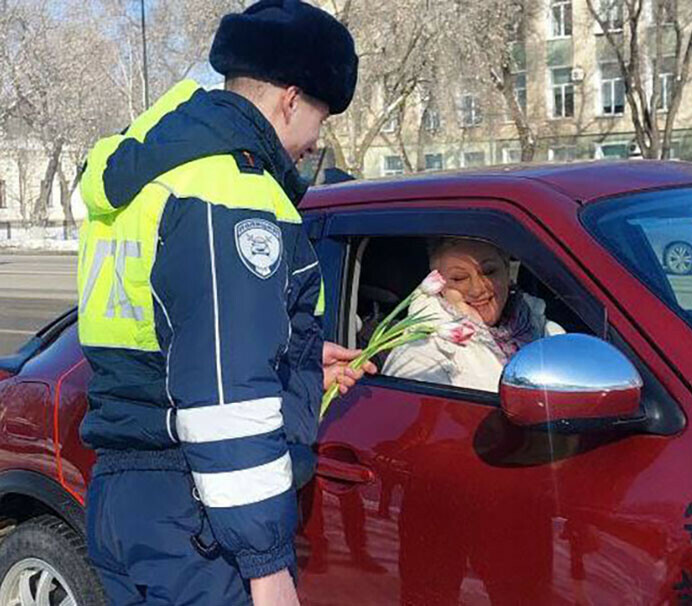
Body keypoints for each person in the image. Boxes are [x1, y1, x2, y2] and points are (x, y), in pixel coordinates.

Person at [75, 2, 368, 604]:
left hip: (124, 498)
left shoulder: (148, 177)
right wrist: (265, 565)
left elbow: (168, 339)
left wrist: (300, 363)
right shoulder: (231, 194)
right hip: (198, 523)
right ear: (291, 99)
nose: (317, 141)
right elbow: (224, 397)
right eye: (321, 115)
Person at [383, 238, 564, 391]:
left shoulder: (545, 330)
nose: (477, 289)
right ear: (439, 286)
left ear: (507, 271)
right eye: (459, 278)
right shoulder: (419, 351)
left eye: (489, 272)